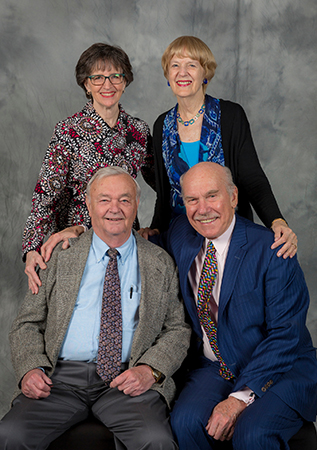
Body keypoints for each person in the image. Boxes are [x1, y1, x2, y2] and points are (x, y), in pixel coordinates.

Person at [0, 167, 191, 450]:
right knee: (10, 435)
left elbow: (177, 329)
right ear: (88, 205)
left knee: (157, 441)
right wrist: (30, 368)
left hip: (128, 379)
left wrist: (150, 370)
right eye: (104, 200)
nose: (114, 208)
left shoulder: (159, 262)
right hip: (59, 380)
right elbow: (27, 323)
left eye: (125, 200)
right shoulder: (59, 254)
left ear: (137, 205)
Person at [153, 162, 317, 449]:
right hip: (216, 365)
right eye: (192, 199)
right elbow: (131, 240)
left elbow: (285, 335)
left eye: (212, 195)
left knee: (252, 434)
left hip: (281, 367)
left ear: (234, 197)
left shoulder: (273, 249)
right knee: (185, 422)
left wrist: (238, 398)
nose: (202, 209)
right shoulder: (181, 233)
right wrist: (78, 234)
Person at [144, 35, 297, 260]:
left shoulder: (230, 116)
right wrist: (155, 228)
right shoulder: (161, 125)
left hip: (228, 233)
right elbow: (165, 192)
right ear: (168, 75)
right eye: (175, 65)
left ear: (205, 73)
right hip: (180, 238)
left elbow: (252, 178)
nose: (182, 72)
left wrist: (277, 221)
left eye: (191, 65)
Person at [23, 42, 155, 294]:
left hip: (124, 238)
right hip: (76, 242)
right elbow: (45, 196)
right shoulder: (67, 131)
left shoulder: (139, 130)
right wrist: (31, 248)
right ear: (86, 84)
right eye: (98, 77)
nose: (108, 85)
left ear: (125, 81)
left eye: (115, 76)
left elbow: (162, 182)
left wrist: (161, 222)